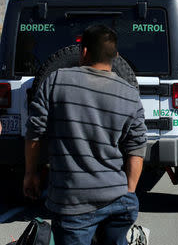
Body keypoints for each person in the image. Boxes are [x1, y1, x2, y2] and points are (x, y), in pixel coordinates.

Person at [23, 25, 147, 244]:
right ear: (116, 56)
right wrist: (128, 192)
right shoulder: (130, 95)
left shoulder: (55, 81)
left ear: (84, 52)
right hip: (119, 202)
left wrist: (31, 173)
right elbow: (136, 149)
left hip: (72, 204)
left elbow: (35, 133)